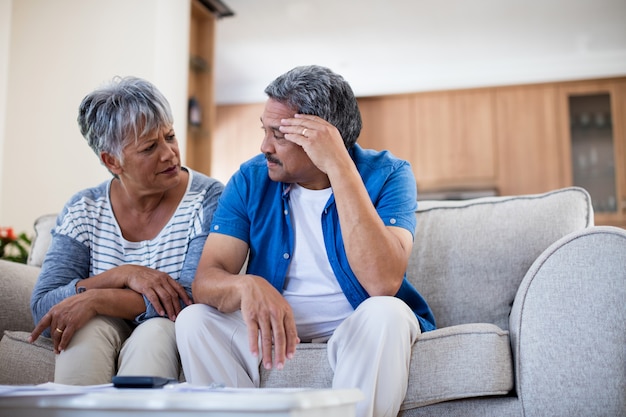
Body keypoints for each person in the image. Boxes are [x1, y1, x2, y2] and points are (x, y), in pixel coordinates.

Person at [175, 65, 436, 417]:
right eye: (264, 131)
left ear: (322, 138)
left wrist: (340, 167)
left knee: (387, 313)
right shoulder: (251, 178)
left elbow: (382, 282)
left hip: (358, 323)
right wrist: (245, 285)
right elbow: (206, 280)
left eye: (278, 136)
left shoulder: (389, 173)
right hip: (273, 326)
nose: (264, 146)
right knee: (195, 321)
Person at [29, 76, 224, 385]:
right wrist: (121, 275)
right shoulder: (84, 209)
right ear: (112, 161)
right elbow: (43, 306)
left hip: (166, 326)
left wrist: (95, 299)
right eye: (149, 148)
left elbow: (188, 298)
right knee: (84, 331)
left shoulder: (207, 199)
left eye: (170, 136)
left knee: (155, 333)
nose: (169, 154)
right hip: (102, 325)